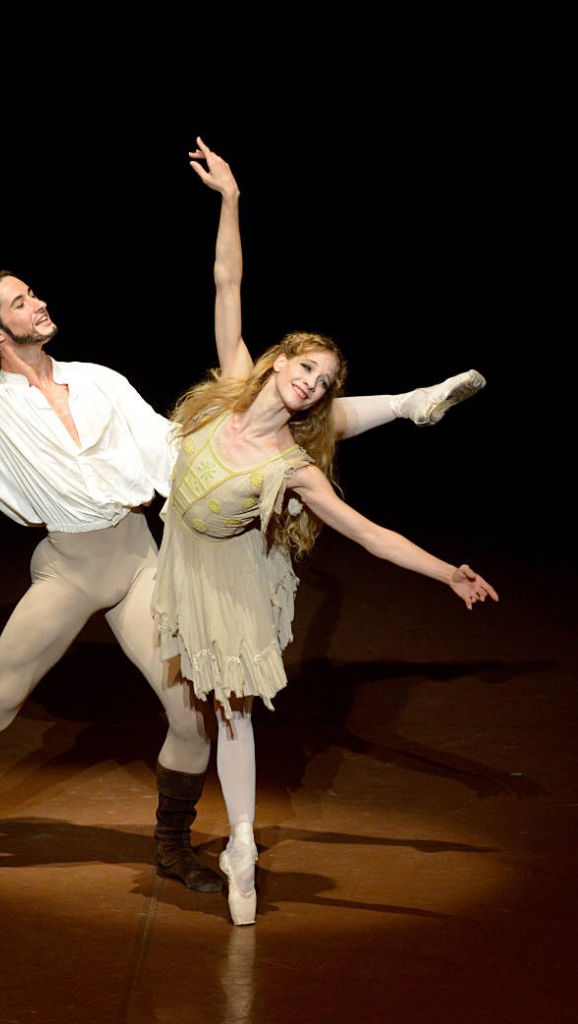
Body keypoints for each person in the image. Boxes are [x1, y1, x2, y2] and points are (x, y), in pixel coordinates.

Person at [0, 200, 484, 897]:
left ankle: (172, 849)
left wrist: (261, 447)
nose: (36, 304)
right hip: (72, 569)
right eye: (19, 302)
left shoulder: (98, 381)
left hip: (142, 561)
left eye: (33, 293)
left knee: (190, 714)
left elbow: (177, 448)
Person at [151, 138, 499, 926]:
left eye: (324, 381)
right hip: (182, 551)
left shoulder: (292, 466)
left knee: (233, 711)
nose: (310, 381)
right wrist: (231, 199)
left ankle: (241, 844)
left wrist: (448, 572)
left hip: (226, 576)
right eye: (305, 366)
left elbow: (371, 536)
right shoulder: (230, 385)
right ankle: (409, 403)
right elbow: (226, 279)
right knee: (202, 706)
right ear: (280, 362)